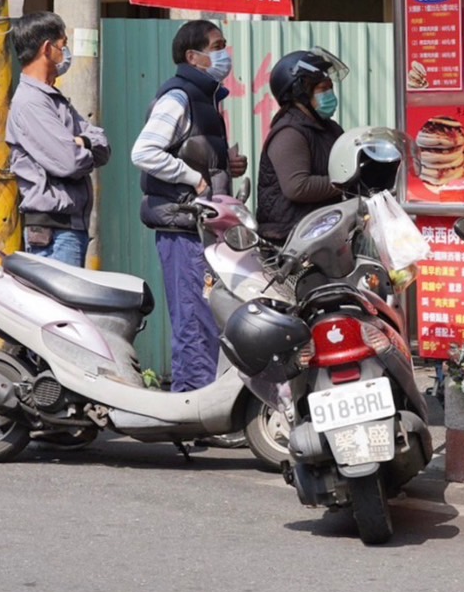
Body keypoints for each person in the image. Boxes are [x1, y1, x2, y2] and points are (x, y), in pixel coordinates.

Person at [130, 20, 246, 392]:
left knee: (207, 318)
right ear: (192, 57)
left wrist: (224, 165)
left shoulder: (205, 98)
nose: (223, 53)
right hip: (182, 226)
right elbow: (144, 152)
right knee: (194, 321)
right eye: (216, 45)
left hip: (201, 227)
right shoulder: (178, 97)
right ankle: (191, 404)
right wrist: (192, 178)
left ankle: (201, 401)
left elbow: (193, 150)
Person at [5, 12, 110, 268]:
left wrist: (81, 141)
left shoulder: (51, 98)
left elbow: (103, 144)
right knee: (59, 307)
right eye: (63, 46)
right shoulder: (31, 103)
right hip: (54, 232)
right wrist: (80, 146)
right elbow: (69, 162)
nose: (66, 53)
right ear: (47, 48)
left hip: (68, 227)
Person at [256, 49, 348, 245]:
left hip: (319, 231)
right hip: (289, 239)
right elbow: (297, 187)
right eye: (323, 89)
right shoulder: (289, 132)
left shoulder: (330, 128)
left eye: (330, 88)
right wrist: (347, 181)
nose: (329, 94)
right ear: (300, 93)